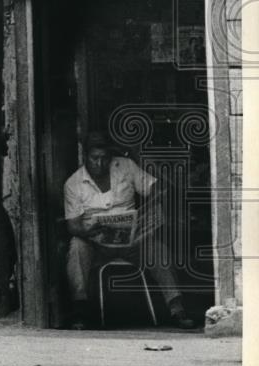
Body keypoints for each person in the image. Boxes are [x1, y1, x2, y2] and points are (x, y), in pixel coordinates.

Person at [64, 130, 195, 330]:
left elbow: (154, 187)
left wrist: (155, 200)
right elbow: (73, 225)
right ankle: (79, 310)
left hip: (133, 241)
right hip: (96, 245)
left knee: (157, 249)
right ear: (85, 156)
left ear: (111, 155)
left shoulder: (125, 166)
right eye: (95, 158)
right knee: (76, 248)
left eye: (105, 158)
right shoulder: (73, 184)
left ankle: (177, 309)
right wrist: (93, 232)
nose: (100, 164)